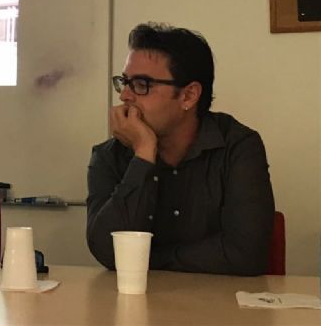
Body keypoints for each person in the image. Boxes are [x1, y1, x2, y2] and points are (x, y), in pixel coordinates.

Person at [86, 23, 275, 276]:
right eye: (125, 82)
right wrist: (143, 154)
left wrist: (145, 258)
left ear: (188, 96)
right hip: (136, 299)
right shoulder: (108, 155)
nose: (125, 96)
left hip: (219, 299)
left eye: (141, 84)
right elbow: (106, 252)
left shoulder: (238, 147)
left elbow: (246, 255)